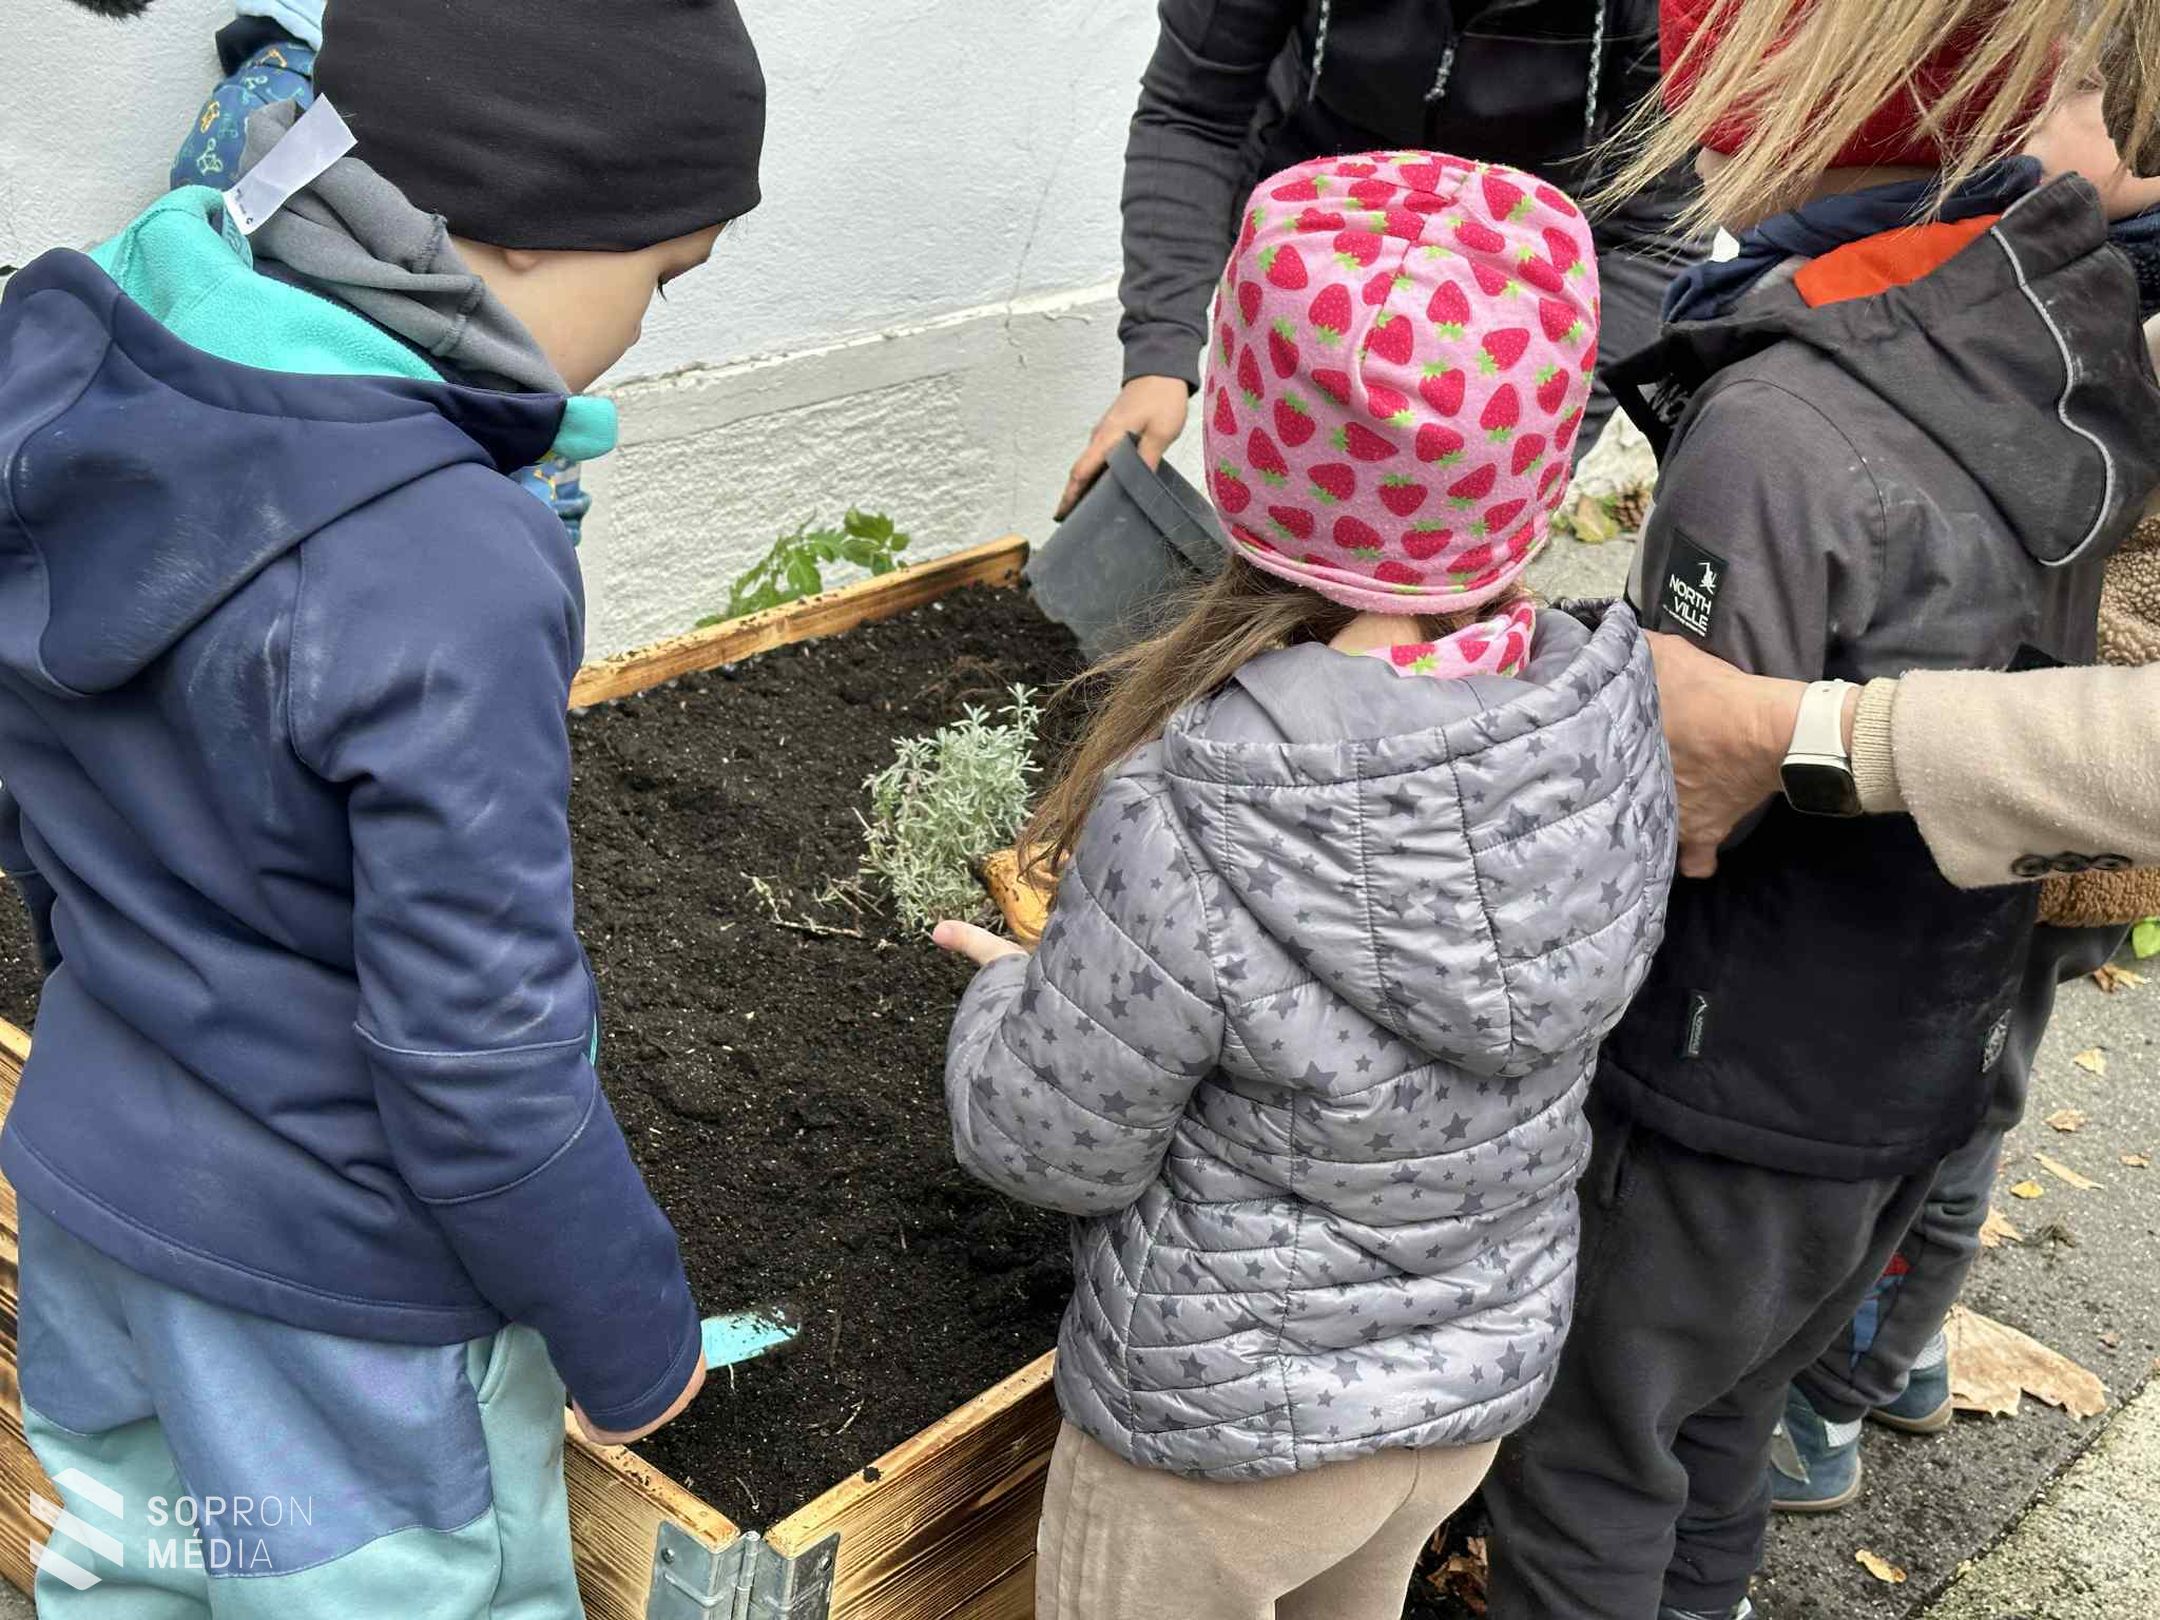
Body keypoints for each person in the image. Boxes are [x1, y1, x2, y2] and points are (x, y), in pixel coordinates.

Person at [0, 0, 764, 1611]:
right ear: (550, 233)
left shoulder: (102, 370)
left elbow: (41, 816)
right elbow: (478, 1062)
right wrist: (631, 1339)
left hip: (88, 1204)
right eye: (665, 277)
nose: (650, 326)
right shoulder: (449, 561)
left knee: (137, 1572)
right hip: (335, 1310)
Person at [1479, 0, 2160, 1615]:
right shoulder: (2060, 365)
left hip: (1717, 1106)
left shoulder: (1774, 428)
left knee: (1592, 1464)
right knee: (1718, 1446)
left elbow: (1686, 804)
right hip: (1906, 1088)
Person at [936, 149, 1676, 1620]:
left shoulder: (1195, 806)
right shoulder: (1600, 718)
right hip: (1462, 1401)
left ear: (1253, 446)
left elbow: (1051, 1148)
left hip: (1218, 1446)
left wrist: (1007, 999)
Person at [1058, 0, 1697, 519]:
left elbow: (1657, 228)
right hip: (1304, 274)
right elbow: (1194, 111)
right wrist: (1158, 354)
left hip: (1506, 309)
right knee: (1282, 566)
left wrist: (1538, 451)